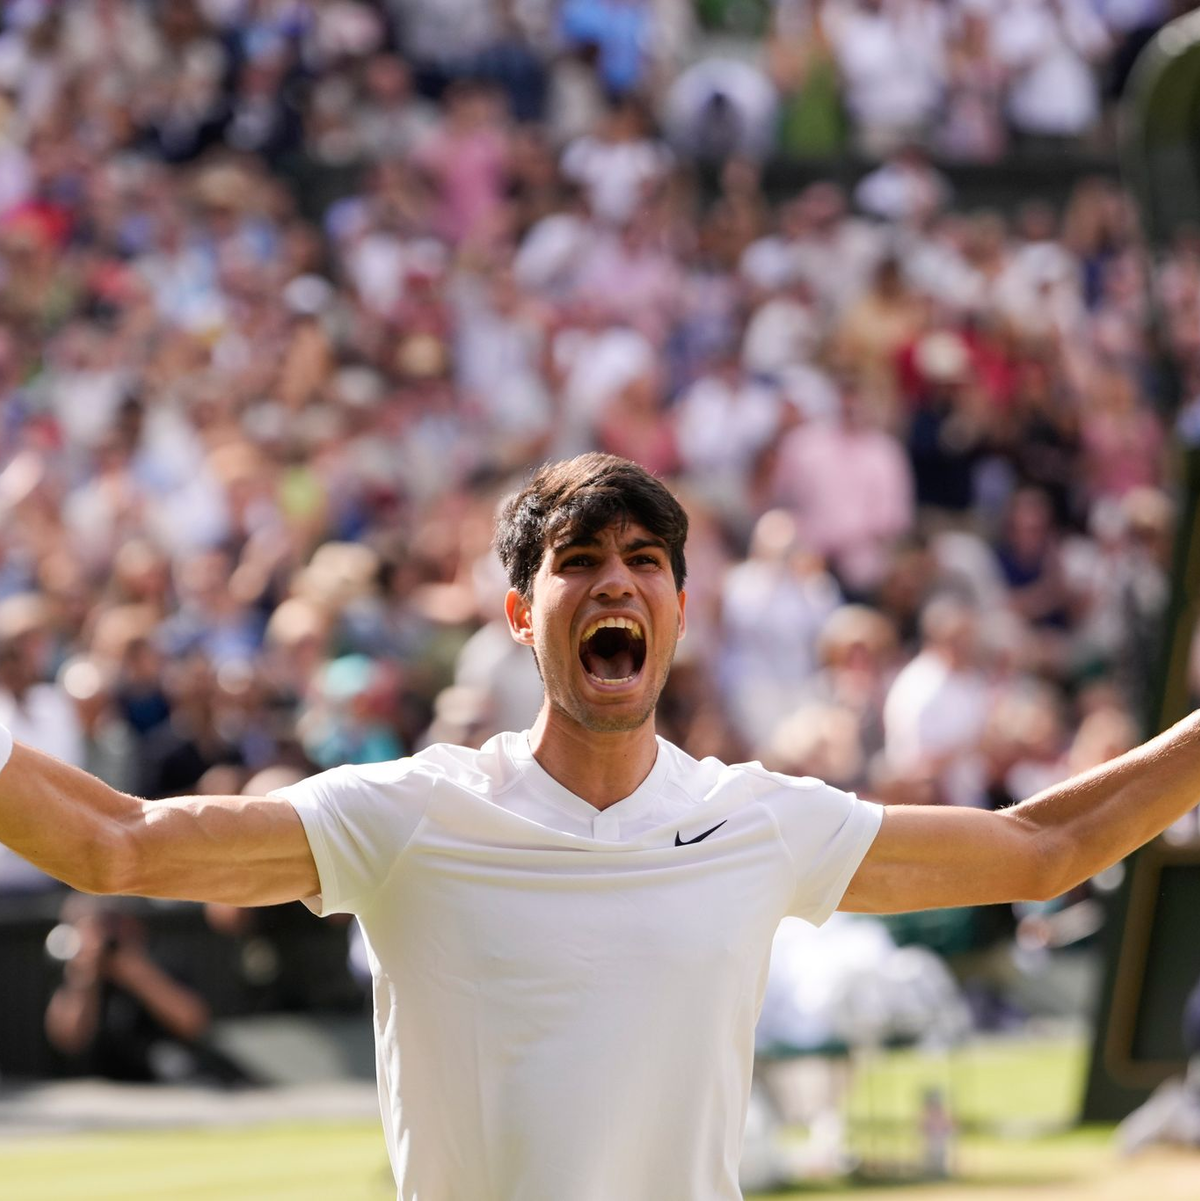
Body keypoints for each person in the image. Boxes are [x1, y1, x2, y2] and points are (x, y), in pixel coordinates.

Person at [2, 452, 1200, 1201]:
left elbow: (1046, 846)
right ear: (524, 614)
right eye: (581, 562)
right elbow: (116, 842)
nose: (617, 582)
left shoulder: (759, 820)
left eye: (646, 560)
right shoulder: (412, 813)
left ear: (680, 605)